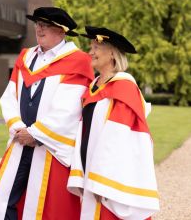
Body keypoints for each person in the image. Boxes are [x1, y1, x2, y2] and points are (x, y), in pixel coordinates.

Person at [0, 7, 94, 220]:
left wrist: (36, 134)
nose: (39, 29)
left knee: (46, 207)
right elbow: (10, 95)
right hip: (20, 140)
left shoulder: (78, 61)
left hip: (50, 147)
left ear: (61, 31)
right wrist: (17, 127)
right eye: (37, 24)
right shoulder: (26, 57)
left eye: (45, 25)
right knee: (4, 199)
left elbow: (69, 108)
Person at [67, 26, 159, 219]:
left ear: (111, 53)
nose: (90, 52)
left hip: (109, 175)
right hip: (89, 167)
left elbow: (117, 135)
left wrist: (102, 180)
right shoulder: (93, 86)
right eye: (90, 47)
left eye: (95, 47)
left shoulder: (124, 86)